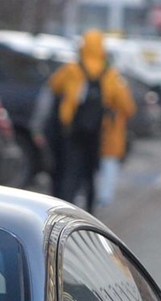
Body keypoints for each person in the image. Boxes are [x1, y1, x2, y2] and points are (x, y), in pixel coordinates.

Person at [35, 30, 135, 209]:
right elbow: (127, 106)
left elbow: (51, 89)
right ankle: (89, 212)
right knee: (90, 174)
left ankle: (64, 208)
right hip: (97, 133)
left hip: (71, 131)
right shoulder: (110, 75)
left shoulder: (72, 70)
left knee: (69, 171)